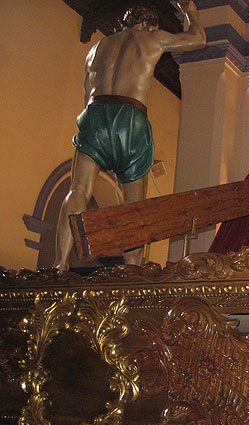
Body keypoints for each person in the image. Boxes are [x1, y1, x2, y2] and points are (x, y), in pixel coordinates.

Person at [54, 1, 207, 270]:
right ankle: (132, 270)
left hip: (94, 115)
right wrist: (189, 11)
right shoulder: (152, 39)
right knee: (134, 205)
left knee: (77, 191)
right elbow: (198, 39)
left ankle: (59, 263)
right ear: (150, 24)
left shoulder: (96, 48)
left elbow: (87, 90)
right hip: (130, 117)